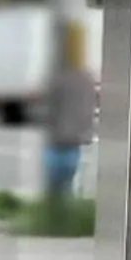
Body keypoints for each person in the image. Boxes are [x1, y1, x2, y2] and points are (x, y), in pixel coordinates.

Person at [43, 18, 95, 202]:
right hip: (73, 142)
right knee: (66, 185)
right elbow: (87, 110)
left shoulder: (57, 76)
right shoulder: (85, 77)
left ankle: (55, 219)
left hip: (56, 141)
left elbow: (48, 109)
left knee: (55, 187)